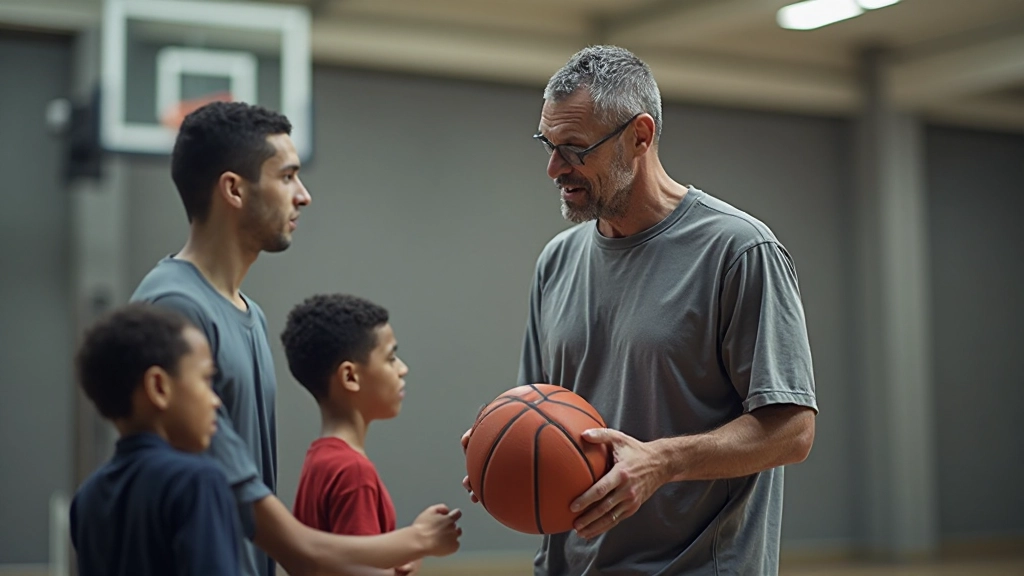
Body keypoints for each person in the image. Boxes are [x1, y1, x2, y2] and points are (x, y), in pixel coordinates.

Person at [462, 45, 818, 575]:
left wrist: (663, 461)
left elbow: (792, 430)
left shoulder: (739, 251)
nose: (554, 168)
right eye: (548, 144)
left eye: (575, 149)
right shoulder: (557, 261)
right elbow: (541, 410)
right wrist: (503, 441)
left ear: (640, 136)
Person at [131, 101, 461, 576]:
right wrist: (414, 540)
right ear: (234, 190)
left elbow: (265, 531)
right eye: (286, 177)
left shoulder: (250, 315)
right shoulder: (175, 312)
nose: (303, 196)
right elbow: (285, 542)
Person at [282, 293, 448, 576]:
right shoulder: (353, 471)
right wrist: (420, 542)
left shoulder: (319, 460)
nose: (402, 369)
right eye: (391, 358)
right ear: (350, 377)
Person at [70, 303, 241, 576]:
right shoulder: (196, 482)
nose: (214, 400)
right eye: (206, 380)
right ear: (158, 387)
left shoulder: (88, 496)